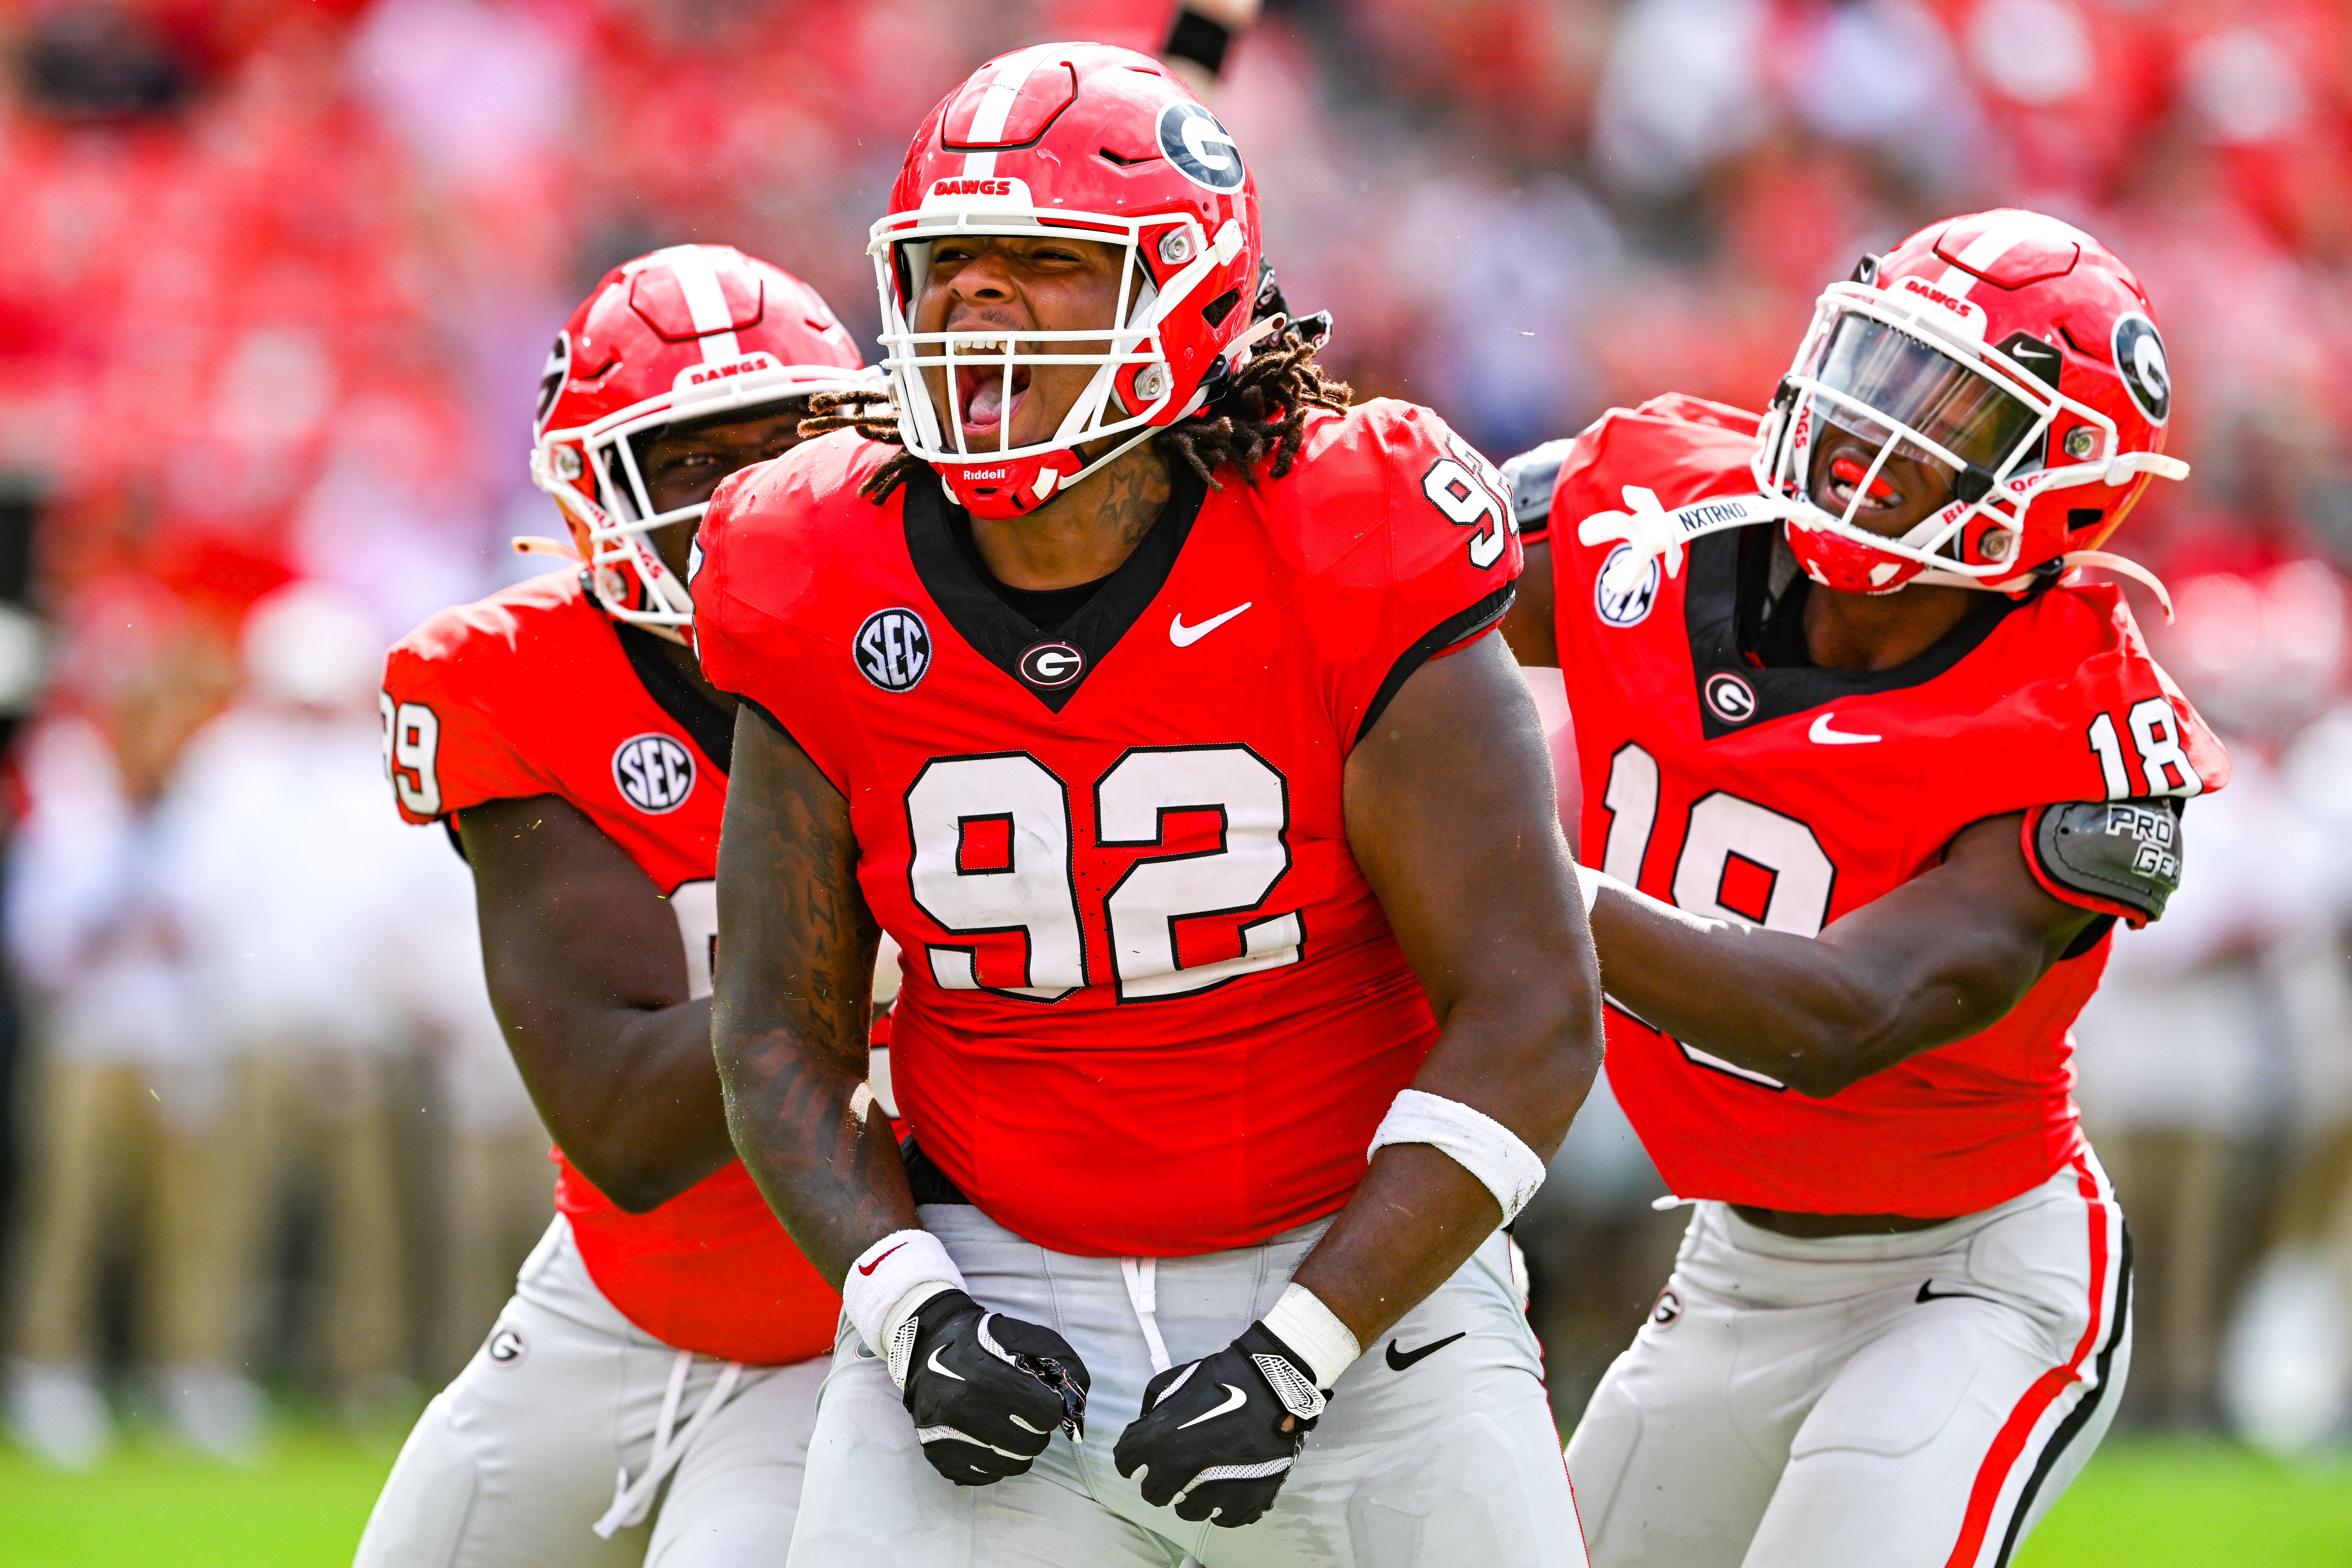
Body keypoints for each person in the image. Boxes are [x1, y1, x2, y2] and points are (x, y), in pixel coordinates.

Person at [693, 42, 1599, 1568]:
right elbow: (778, 1024)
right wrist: (908, 1304)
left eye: (1037, 263)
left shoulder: (1345, 529)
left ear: (1182, 293)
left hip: (1368, 1298)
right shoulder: (813, 557)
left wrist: (1303, 1345)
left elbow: (1529, 1008)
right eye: (944, 265)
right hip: (989, 1295)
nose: (974, 306)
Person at [1497, 209, 2227, 1567]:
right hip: (1728, 1264)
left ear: (2055, 480)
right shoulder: (1650, 501)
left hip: (1967, 1277)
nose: (1864, 426)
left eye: (1945, 410)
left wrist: (1518, 879)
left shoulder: (2090, 728)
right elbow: (1382, 595)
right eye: (1878, 366)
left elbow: (1836, 1018)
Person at [353, 244, 873, 1568]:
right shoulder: (512, 683)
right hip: (620, 1295)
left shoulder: (949, 643)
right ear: (598, 486)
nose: (747, 494)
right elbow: (628, 1123)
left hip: (874, 1305)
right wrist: (894, 947)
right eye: (695, 459)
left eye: (784, 444)